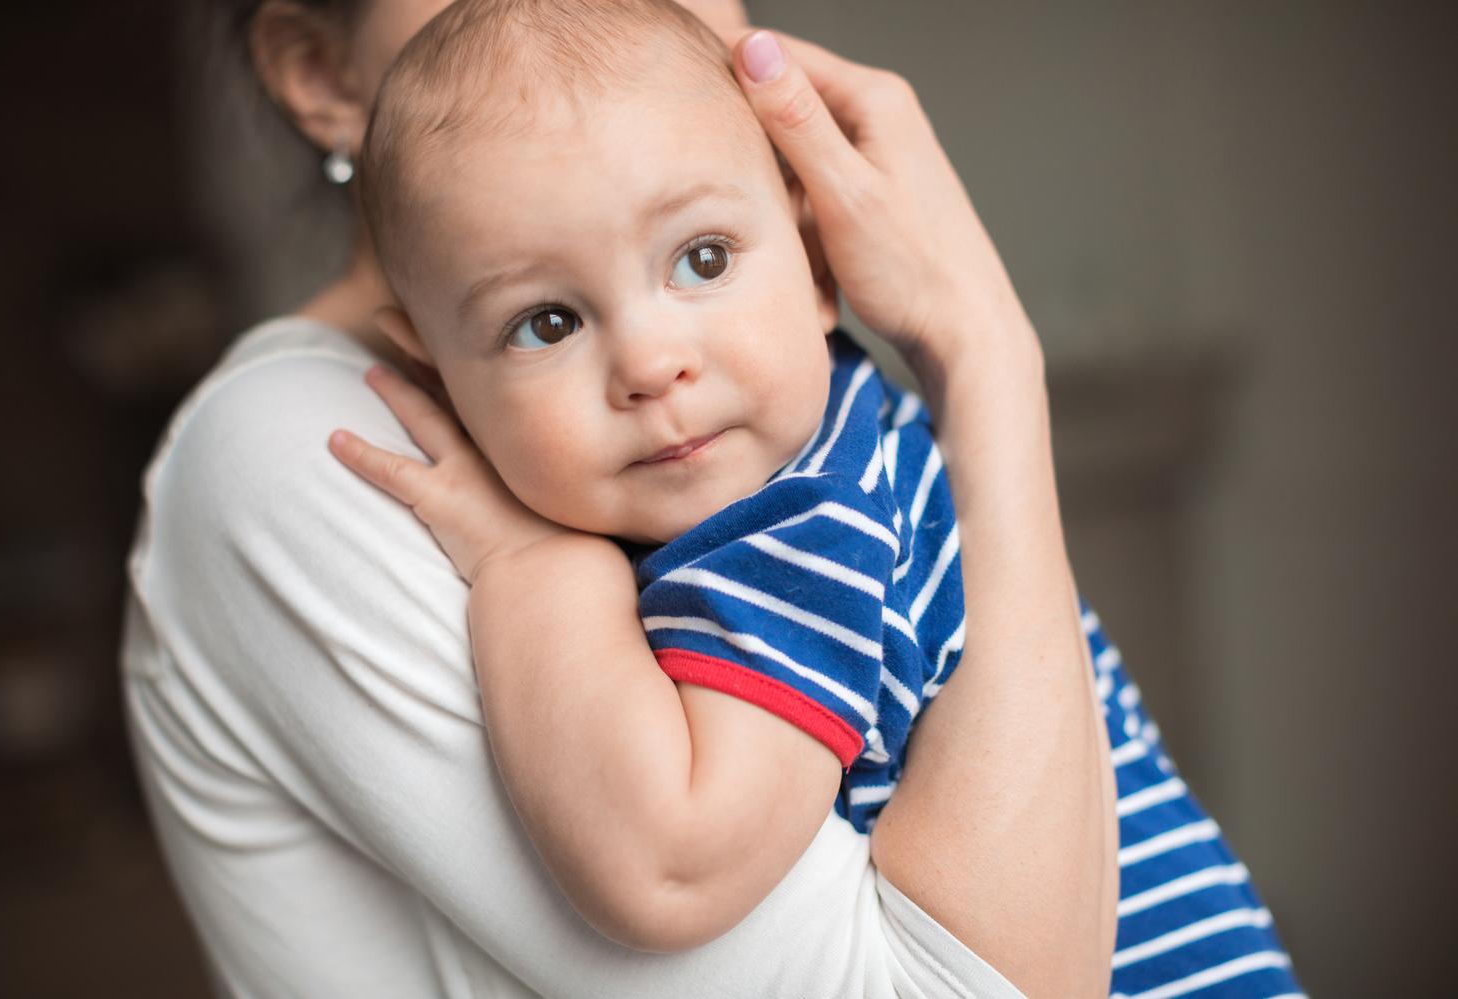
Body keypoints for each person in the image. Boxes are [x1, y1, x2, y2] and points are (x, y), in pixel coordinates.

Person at [119, 2, 1286, 998]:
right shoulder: (296, 448)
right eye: (546, 321)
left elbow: (670, 859)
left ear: (814, 260)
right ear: (322, 75)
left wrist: (983, 351)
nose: (651, 363)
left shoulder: (786, 481)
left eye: (706, 258)